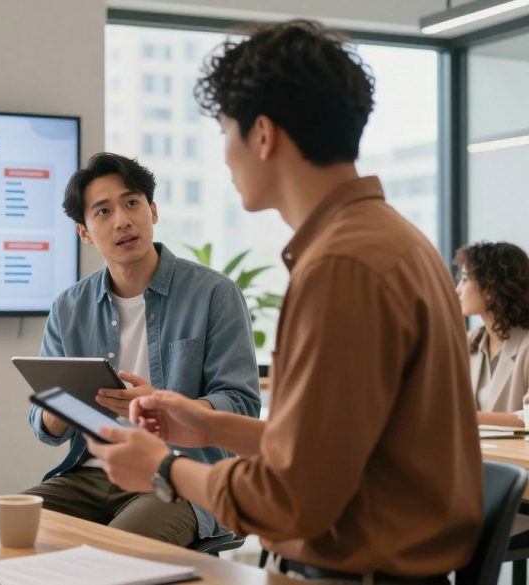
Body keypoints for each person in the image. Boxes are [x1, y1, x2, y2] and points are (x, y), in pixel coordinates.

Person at [86, 20, 481, 582]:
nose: (225, 157)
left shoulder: (341, 268)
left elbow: (293, 495)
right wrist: (209, 427)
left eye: (226, 132)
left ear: (264, 135)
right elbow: (337, 447)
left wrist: (164, 469)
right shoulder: (391, 240)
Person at [24, 152, 260, 546]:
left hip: (177, 475)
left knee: (113, 553)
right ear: (84, 232)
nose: (122, 220)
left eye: (132, 203)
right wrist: (58, 407)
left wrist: (166, 404)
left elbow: (241, 403)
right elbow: (45, 428)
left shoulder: (214, 294)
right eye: (102, 212)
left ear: (153, 210)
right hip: (91, 473)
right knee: (10, 527)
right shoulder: (69, 307)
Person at [453, 241, 529, 427]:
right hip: (477, 455)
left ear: (491, 287)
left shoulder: (526, 346)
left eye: (464, 279)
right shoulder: (469, 341)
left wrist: (466, 417)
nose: (457, 290)